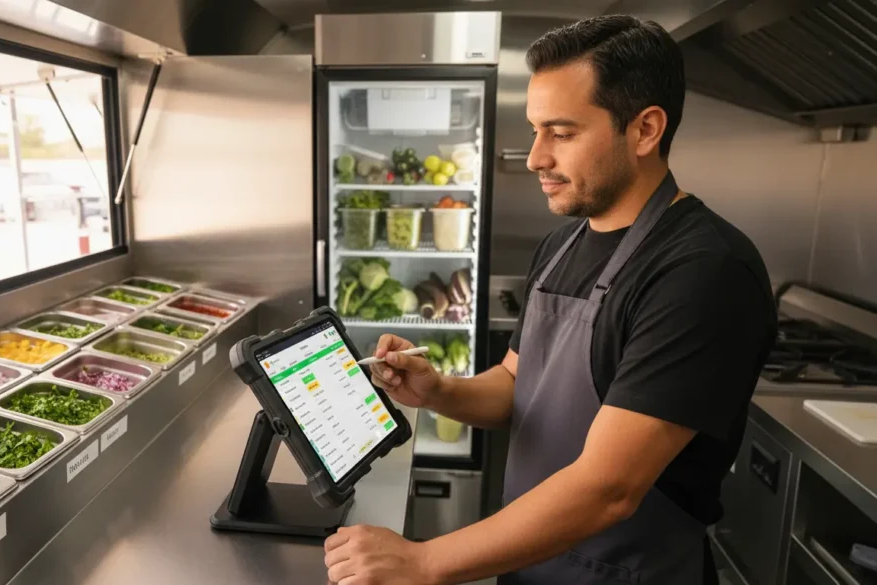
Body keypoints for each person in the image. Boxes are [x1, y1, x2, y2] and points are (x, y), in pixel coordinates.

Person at [323, 14, 777, 585]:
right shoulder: (565, 242)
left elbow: (609, 488)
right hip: (532, 564)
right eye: (537, 130)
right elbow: (518, 385)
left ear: (644, 130)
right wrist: (438, 390)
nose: (537, 157)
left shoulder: (703, 271)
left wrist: (425, 560)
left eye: (561, 134)